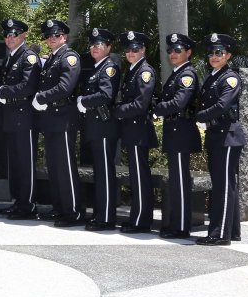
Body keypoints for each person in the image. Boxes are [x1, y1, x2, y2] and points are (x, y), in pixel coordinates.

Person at [32, 19, 84, 226]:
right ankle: (59, 207)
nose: (51, 39)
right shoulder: (54, 58)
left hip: (63, 117)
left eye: (55, 35)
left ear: (65, 36)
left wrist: (41, 97)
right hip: (52, 118)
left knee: (65, 166)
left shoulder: (69, 57)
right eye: (48, 36)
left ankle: (73, 212)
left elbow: (65, 87)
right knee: (53, 165)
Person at [196, 33, 244, 246]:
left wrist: (201, 117)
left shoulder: (230, 78)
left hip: (227, 137)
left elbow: (222, 105)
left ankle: (219, 234)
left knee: (223, 186)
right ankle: (231, 231)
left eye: (219, 53)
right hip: (217, 136)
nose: (214, 56)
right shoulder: (213, 76)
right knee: (224, 184)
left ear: (228, 55)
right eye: (211, 53)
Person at [152, 33, 200, 239]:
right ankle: (174, 222)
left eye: (178, 50)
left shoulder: (187, 75)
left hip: (181, 132)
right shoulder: (176, 74)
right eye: (170, 50)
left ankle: (181, 227)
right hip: (174, 131)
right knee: (175, 180)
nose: (173, 54)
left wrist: (157, 108)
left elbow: (178, 103)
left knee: (180, 181)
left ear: (188, 52)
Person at [0, 19, 41, 220]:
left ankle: (28, 204)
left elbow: (28, 87)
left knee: (25, 162)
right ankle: (18, 201)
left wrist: (3, 91)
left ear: (23, 36)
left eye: (14, 34)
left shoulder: (28, 57)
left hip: (25, 117)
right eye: (7, 35)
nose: (10, 38)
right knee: (14, 162)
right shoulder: (12, 57)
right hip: (11, 117)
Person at [75, 28, 122, 231]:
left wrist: (83, 101)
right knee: (99, 173)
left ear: (109, 48)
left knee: (104, 173)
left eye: (100, 44)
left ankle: (106, 218)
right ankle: (99, 213)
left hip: (104, 127)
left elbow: (106, 94)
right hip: (94, 127)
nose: (95, 48)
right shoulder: (96, 68)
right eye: (93, 44)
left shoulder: (109, 68)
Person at [112, 31, 159, 233]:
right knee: (136, 177)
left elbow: (141, 103)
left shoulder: (144, 71)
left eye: (135, 49)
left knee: (140, 178)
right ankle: (137, 218)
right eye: (128, 49)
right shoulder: (133, 70)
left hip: (139, 130)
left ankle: (141, 221)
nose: (131, 52)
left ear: (143, 50)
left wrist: (118, 111)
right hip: (132, 131)